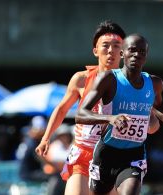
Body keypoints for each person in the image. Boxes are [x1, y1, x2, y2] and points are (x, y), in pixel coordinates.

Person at [75, 34, 163, 195]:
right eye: (132, 50)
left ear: (146, 56)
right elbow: (80, 114)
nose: (137, 55)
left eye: (142, 51)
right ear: (122, 54)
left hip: (134, 155)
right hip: (106, 153)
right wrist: (110, 118)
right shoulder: (108, 79)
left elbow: (159, 105)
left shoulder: (154, 83)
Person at [35, 20, 127, 195]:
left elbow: (146, 113)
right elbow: (62, 109)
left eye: (116, 46)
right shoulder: (81, 79)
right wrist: (45, 138)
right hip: (83, 154)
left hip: (114, 156)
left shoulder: (129, 84)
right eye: (105, 45)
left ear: (122, 51)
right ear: (95, 51)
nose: (110, 51)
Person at [17, 116, 49, 182]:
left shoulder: (28, 141)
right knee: (54, 177)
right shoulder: (31, 143)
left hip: (26, 173)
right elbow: (41, 159)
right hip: (28, 174)